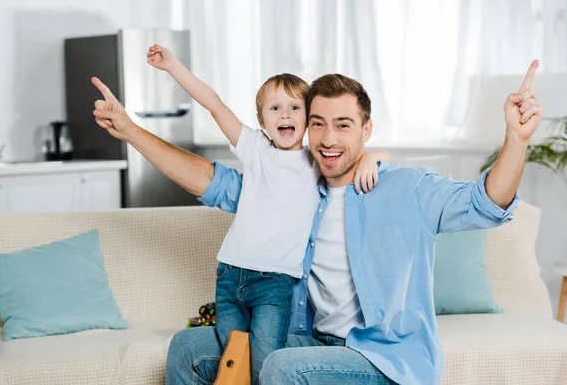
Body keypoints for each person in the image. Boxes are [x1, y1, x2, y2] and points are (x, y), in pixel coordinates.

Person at [91, 60, 543, 384]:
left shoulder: (404, 187)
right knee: (187, 349)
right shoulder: (299, 187)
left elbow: (485, 203)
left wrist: (516, 139)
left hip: (379, 358)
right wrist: (131, 130)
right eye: (319, 124)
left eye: (343, 125)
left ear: (367, 130)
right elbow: (210, 181)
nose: (328, 139)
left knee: (283, 368)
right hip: (306, 337)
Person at [142, 45, 392, 383]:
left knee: (265, 365)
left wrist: (373, 156)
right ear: (262, 121)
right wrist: (173, 67)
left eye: (294, 108)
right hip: (231, 276)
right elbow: (214, 104)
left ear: (308, 120)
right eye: (275, 108)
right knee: (234, 364)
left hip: (275, 284)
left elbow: (366, 157)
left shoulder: (315, 161)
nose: (285, 115)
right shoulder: (255, 148)